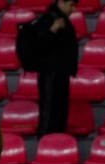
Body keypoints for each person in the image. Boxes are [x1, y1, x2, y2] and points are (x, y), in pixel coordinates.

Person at [32, 0, 79, 136]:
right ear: (61, 3)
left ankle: (57, 145)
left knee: (60, 112)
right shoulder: (48, 19)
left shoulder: (61, 19)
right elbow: (38, 45)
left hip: (61, 73)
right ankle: (44, 145)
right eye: (71, 5)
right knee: (49, 112)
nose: (73, 9)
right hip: (50, 74)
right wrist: (53, 30)